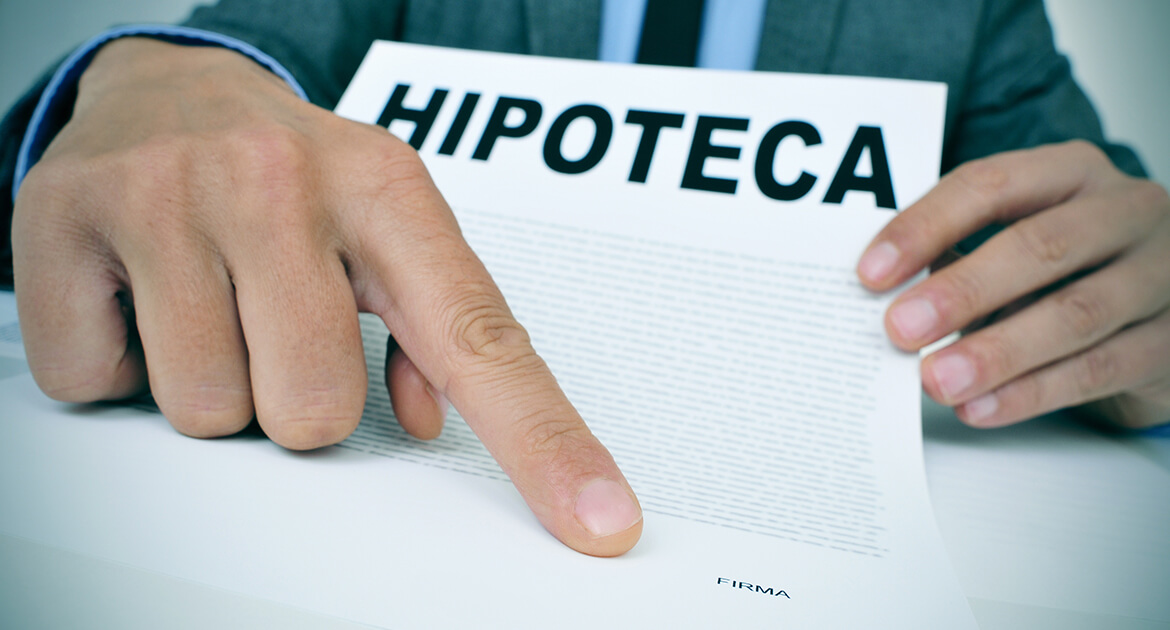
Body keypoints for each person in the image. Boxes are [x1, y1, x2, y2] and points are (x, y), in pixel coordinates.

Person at [0, 0, 1167, 559]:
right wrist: (150, 79)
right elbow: (196, 113)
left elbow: (1096, 234)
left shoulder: (964, 21)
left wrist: (1138, 310)